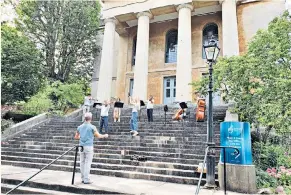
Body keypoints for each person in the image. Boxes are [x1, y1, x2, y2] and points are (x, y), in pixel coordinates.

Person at [74, 112, 108, 184]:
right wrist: (105, 135)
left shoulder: (79, 127)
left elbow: (76, 137)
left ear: (84, 118)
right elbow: (98, 136)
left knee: (82, 162)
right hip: (88, 146)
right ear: (91, 119)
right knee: (87, 163)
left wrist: (82, 137)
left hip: (81, 146)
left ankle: (83, 178)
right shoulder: (92, 127)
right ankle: (86, 179)